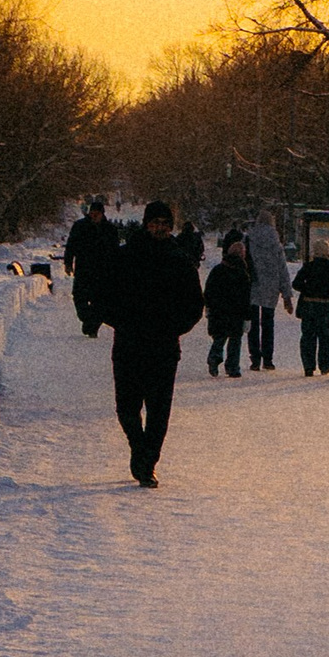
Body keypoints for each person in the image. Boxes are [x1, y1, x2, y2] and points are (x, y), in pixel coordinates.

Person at [104, 199, 206, 485]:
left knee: (159, 411)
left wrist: (174, 327)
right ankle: (139, 448)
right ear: (146, 224)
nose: (159, 228)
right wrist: (121, 321)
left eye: (164, 224)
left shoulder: (180, 259)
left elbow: (194, 304)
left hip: (163, 346)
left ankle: (148, 463)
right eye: (155, 223)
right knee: (127, 407)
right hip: (129, 343)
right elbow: (106, 295)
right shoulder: (126, 256)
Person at [243, 209, 291, 369]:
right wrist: (286, 295)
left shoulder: (249, 239)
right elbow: (282, 268)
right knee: (268, 324)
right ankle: (268, 359)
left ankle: (255, 358)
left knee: (254, 324)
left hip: (253, 285)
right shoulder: (275, 242)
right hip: (271, 287)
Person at [64, 195, 118, 337]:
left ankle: (92, 327)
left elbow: (115, 251)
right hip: (83, 269)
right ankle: (87, 320)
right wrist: (68, 262)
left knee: (99, 302)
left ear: (102, 214)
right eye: (92, 213)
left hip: (103, 272)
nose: (94, 216)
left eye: (97, 214)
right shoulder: (80, 226)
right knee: (79, 297)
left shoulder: (110, 229)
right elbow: (71, 245)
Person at [203, 232, 255, 376]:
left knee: (220, 337)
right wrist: (247, 316)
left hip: (219, 311)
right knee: (235, 340)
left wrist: (208, 306)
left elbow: (209, 290)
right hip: (236, 313)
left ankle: (214, 356)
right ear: (242, 255)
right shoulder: (243, 273)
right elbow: (246, 297)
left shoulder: (218, 269)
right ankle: (233, 367)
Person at [294, 241, 329, 375]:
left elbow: (296, 283)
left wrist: (307, 289)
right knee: (325, 336)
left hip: (309, 304)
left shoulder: (309, 266)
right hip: (325, 305)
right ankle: (325, 365)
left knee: (308, 336)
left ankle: (308, 366)